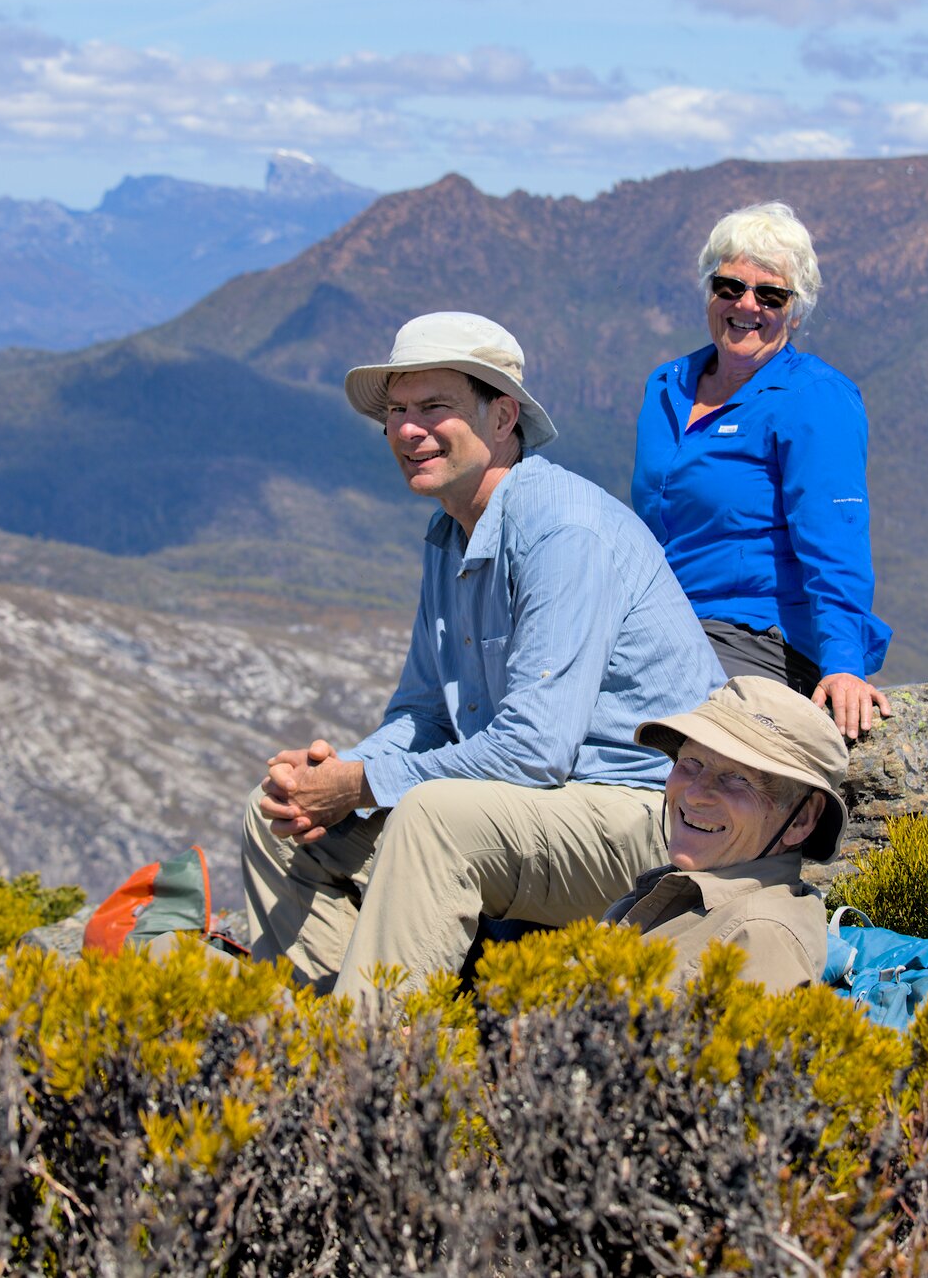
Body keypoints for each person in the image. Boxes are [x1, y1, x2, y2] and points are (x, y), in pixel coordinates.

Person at [243, 311, 727, 1005]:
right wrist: (329, 775)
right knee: (276, 819)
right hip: (547, 808)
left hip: (651, 813)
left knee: (432, 818)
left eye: (435, 406)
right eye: (398, 411)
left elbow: (534, 751)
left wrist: (359, 784)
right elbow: (421, 716)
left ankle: (377, 1071)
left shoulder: (560, 530)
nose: (409, 430)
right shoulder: (449, 537)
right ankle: (337, 1020)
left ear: (503, 417)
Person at [630, 201, 894, 740]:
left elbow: (836, 538)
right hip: (663, 626)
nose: (746, 305)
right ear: (709, 291)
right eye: (729, 286)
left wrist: (844, 662)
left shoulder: (815, 399)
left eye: (770, 295)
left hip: (756, 637)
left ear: (795, 312)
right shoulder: (668, 385)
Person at [602, 675, 847, 991]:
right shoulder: (686, 894)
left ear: (801, 818)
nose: (695, 794)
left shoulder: (756, 940)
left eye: (738, 778)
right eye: (691, 762)